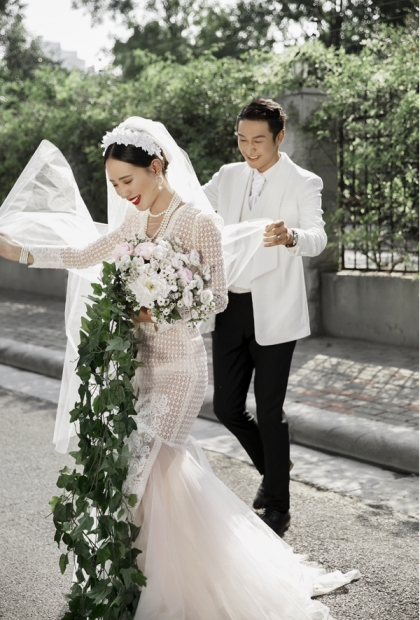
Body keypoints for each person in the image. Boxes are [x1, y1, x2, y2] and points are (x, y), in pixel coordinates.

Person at [0, 117, 359, 619]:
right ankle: (150, 580)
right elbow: (85, 254)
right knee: (156, 479)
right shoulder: (132, 222)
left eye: (127, 181)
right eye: (114, 185)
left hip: (180, 370)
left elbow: (217, 299)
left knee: (141, 471)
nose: (122, 193)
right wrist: (19, 251)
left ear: (156, 166)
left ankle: (169, 590)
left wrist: (163, 306)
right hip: (140, 365)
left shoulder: (197, 222)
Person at [203, 98, 328, 537]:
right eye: (242, 139)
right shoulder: (227, 175)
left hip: (274, 309)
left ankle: (278, 506)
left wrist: (291, 236)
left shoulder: (303, 181)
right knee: (225, 407)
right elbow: (191, 210)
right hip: (230, 305)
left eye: (258, 140)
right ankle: (276, 468)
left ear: (279, 137)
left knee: (269, 410)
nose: (249, 148)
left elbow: (318, 236)